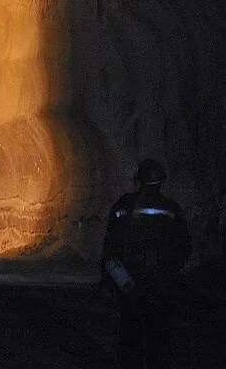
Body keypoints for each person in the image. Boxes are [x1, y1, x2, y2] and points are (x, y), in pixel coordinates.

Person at [100, 158, 190, 369]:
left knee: (130, 331)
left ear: (137, 180)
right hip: (159, 282)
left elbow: (110, 244)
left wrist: (108, 276)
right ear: (161, 181)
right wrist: (170, 273)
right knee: (158, 333)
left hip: (129, 280)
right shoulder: (171, 209)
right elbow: (183, 246)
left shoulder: (123, 205)